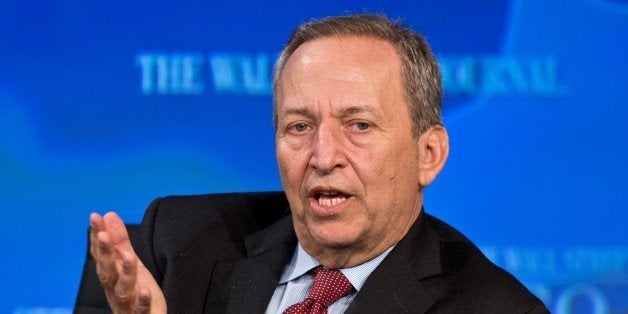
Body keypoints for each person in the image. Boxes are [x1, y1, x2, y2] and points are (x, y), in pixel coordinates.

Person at [88, 14, 548, 313]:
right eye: (299, 127)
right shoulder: (170, 241)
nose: (324, 157)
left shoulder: (492, 307)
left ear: (428, 154)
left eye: (359, 126)